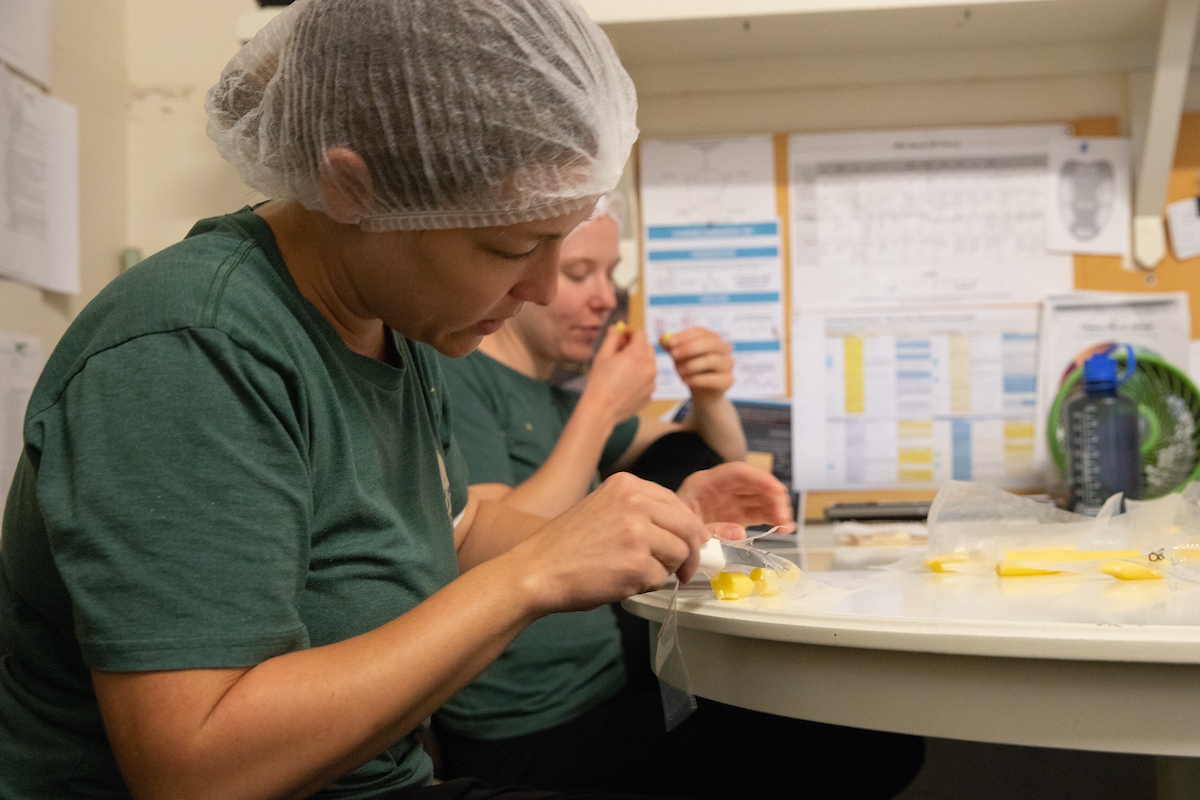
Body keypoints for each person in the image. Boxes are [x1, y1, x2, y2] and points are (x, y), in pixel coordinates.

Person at [0, 2, 792, 799]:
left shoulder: (395, 321)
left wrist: (648, 527)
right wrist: (533, 578)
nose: (544, 287)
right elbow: (196, 768)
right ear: (353, 188)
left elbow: (459, 526)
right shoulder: (189, 350)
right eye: (511, 247)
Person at [431, 202, 926, 799]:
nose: (604, 298)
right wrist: (601, 407)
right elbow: (491, 541)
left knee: (867, 731)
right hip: (527, 731)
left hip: (605, 688)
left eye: (610, 274)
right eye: (578, 272)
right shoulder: (459, 375)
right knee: (870, 749)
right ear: (519, 273)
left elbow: (699, 453)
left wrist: (709, 395)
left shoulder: (551, 393)